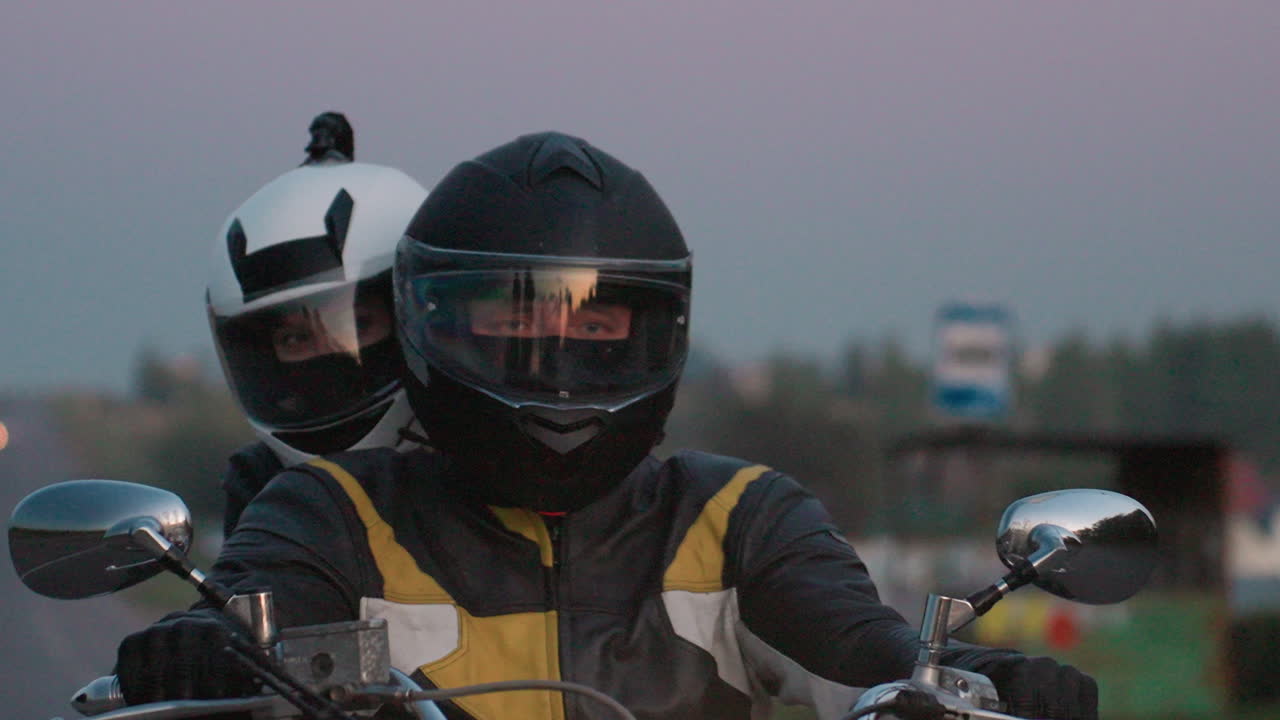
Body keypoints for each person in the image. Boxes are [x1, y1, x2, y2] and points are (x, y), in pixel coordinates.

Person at [119, 132, 1098, 720]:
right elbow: (249, 615)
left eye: (594, 323)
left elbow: (866, 652)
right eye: (509, 321)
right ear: (428, 323)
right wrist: (194, 647)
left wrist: (980, 677)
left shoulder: (736, 518)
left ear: (658, 332)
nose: (554, 358)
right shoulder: (331, 513)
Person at [206, 112, 430, 536]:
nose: (329, 355)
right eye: (295, 338)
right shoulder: (261, 491)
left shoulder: (493, 469)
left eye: (357, 325)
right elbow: (238, 590)